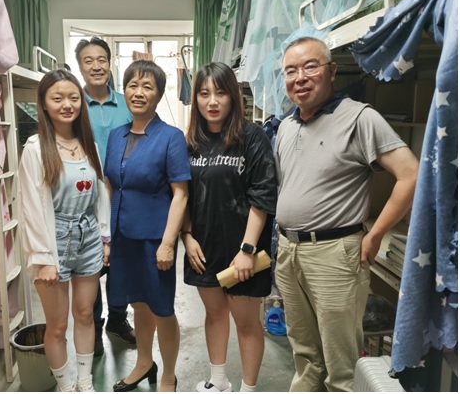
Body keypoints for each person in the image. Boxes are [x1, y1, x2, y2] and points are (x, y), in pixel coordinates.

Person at [274, 37, 419, 391]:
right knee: (304, 355)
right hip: (289, 251)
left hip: (334, 255)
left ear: (332, 71)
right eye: (291, 71)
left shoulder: (359, 117)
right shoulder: (286, 126)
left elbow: (411, 175)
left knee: (341, 367)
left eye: (310, 67)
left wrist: (375, 234)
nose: (300, 77)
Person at [181, 62, 278, 393]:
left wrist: (247, 249)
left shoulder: (251, 137)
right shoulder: (191, 141)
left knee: (247, 323)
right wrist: (186, 237)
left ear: (233, 96)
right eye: (204, 93)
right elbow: (182, 195)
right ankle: (218, 380)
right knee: (214, 315)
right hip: (203, 247)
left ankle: (248, 389)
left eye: (221, 93)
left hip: (243, 251)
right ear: (195, 98)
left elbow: (262, 195)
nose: (212, 101)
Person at [18, 69, 111, 392]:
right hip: (53, 238)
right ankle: (65, 384)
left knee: (85, 314)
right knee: (57, 325)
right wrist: (43, 258)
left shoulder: (88, 144)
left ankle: (85, 381)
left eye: (73, 98)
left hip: (88, 236)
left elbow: (100, 193)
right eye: (57, 98)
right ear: (44, 104)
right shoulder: (35, 148)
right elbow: (31, 207)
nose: (67, 105)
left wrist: (104, 238)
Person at [104, 60, 191, 392]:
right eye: (132, 85)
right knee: (137, 303)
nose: (138, 93)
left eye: (147, 86)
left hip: (155, 240)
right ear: (123, 89)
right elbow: (111, 186)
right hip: (122, 237)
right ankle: (144, 363)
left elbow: (181, 194)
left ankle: (168, 374)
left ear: (159, 94)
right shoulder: (116, 136)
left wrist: (168, 243)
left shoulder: (171, 138)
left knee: (162, 308)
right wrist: (107, 238)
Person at [74, 37, 135, 355]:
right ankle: (94, 327)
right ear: (79, 66)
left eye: (102, 59)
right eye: (88, 60)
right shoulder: (74, 103)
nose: (96, 66)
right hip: (84, 198)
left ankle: (118, 319)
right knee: (91, 265)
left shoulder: (127, 103)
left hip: (124, 197)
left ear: (110, 64)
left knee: (121, 262)